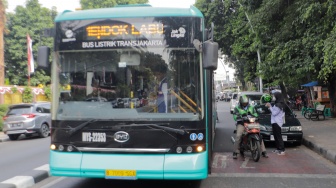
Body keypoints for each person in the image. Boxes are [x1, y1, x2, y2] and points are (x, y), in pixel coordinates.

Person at [232, 94, 268, 159]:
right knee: (238, 136)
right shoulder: (237, 108)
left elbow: (256, 114)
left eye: (246, 103)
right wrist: (239, 116)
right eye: (243, 103)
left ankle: (264, 151)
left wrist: (255, 116)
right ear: (241, 102)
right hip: (242, 124)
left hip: (251, 123)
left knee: (258, 134)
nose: (245, 104)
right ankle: (235, 152)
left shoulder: (251, 107)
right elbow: (235, 116)